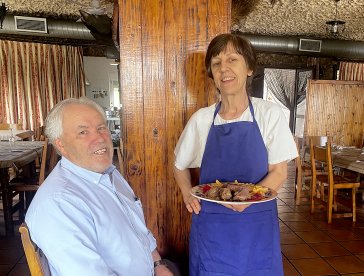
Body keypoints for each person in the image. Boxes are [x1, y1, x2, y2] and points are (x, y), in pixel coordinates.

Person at [173, 34, 298, 275]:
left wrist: (247, 200)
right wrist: (187, 193)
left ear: (249, 68)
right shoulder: (202, 119)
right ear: (211, 73)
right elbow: (179, 164)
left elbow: (279, 171)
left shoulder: (269, 114)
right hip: (212, 225)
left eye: (233, 59)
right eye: (217, 63)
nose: (224, 68)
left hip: (256, 224)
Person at [25, 98, 173, 276]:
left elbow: (138, 229)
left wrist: (158, 264)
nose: (99, 138)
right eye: (83, 132)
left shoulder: (108, 173)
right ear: (61, 145)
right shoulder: (60, 203)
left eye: (101, 128)